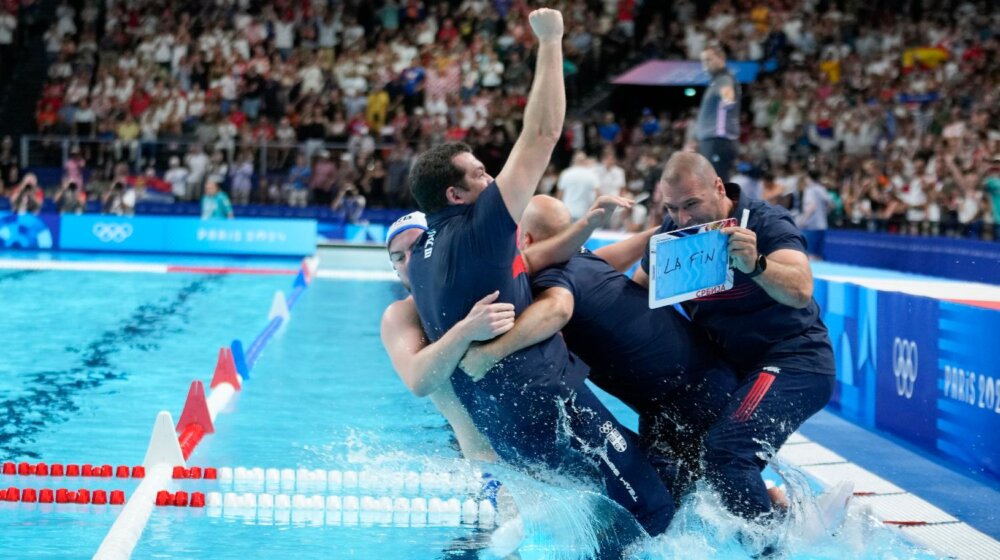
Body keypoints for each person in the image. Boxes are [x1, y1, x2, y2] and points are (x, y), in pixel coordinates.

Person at [406, 8, 676, 537]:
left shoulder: (421, 257)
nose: (493, 179)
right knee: (650, 508)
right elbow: (544, 132)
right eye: (481, 174)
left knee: (614, 498)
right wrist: (551, 41)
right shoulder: (480, 224)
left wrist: (590, 230)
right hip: (547, 402)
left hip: (501, 423)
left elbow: (529, 262)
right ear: (455, 195)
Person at [460, 195, 739, 499]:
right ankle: (770, 505)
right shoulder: (583, 258)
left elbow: (558, 311)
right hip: (700, 380)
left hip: (684, 400)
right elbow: (618, 254)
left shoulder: (551, 275)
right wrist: (657, 231)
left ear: (525, 239)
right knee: (705, 493)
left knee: (657, 507)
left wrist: (488, 354)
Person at [632, 152, 835, 523]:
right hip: (731, 371)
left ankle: (772, 549)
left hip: (794, 360)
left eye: (691, 204)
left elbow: (802, 289)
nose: (683, 218)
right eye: (672, 208)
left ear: (719, 188)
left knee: (728, 450)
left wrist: (756, 265)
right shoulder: (672, 239)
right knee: (669, 448)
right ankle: (784, 512)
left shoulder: (765, 222)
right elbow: (636, 295)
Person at [380, 212, 505, 462]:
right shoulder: (402, 315)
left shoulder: (490, 281)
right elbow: (419, 380)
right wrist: (467, 330)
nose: (408, 262)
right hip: (474, 449)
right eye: (398, 258)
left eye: (416, 248)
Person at [697, 43, 740, 182]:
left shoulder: (724, 78)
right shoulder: (714, 81)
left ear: (721, 58)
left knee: (717, 184)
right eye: (703, 60)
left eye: (709, 59)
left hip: (718, 140)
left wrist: (728, 98)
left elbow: (727, 93)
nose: (705, 64)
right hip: (711, 141)